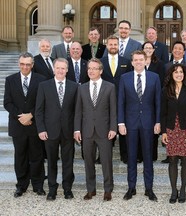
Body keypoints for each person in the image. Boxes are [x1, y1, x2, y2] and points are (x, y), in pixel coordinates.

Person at [118, 50, 161, 201]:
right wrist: (121, 122)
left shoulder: (154, 77)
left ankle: (149, 189)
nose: (138, 62)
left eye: (141, 59)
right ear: (132, 62)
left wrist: (158, 121)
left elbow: (157, 102)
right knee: (131, 156)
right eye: (135, 60)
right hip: (130, 123)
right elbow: (121, 102)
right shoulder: (124, 78)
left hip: (149, 123)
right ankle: (131, 188)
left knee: (148, 156)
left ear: (145, 60)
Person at [4, 52, 46, 198]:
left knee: (37, 157)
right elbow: (7, 102)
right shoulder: (10, 80)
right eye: (22, 64)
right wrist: (21, 116)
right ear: (19, 64)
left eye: (28, 64)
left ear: (32, 65)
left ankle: (38, 185)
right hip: (18, 125)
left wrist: (31, 115)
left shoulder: (41, 80)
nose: (25, 67)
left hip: (35, 125)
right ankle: (21, 186)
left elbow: (42, 102)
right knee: (20, 157)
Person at [74, 58, 117, 201]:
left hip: (104, 131)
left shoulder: (109, 87)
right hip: (86, 131)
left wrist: (113, 128)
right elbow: (78, 111)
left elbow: (113, 110)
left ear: (101, 71)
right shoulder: (82, 88)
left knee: (106, 161)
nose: (91, 71)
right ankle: (90, 190)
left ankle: (108, 190)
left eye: (94, 68)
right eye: (89, 69)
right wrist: (77, 130)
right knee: (88, 162)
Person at [35, 58, 78, 201]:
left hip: (68, 131)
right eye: (58, 68)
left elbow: (77, 111)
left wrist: (76, 130)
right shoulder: (44, 86)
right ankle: (52, 189)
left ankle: (67, 189)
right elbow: (39, 110)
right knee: (51, 162)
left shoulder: (74, 86)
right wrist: (41, 129)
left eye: (63, 68)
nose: (60, 70)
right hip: (50, 131)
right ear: (54, 69)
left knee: (68, 162)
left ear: (67, 70)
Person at [161, 63, 186, 204]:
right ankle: (173, 190)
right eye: (176, 72)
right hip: (171, 129)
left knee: (185, 160)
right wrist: (164, 132)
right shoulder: (165, 90)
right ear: (171, 74)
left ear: (184, 74)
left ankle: (183, 189)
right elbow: (163, 113)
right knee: (172, 160)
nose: (179, 74)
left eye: (181, 72)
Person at [100, 35, 131, 164]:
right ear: (107, 46)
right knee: (105, 127)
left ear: (119, 46)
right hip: (104, 100)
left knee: (122, 126)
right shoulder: (100, 62)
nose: (113, 47)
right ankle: (103, 155)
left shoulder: (126, 61)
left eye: (115, 44)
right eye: (110, 44)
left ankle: (125, 155)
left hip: (122, 99)